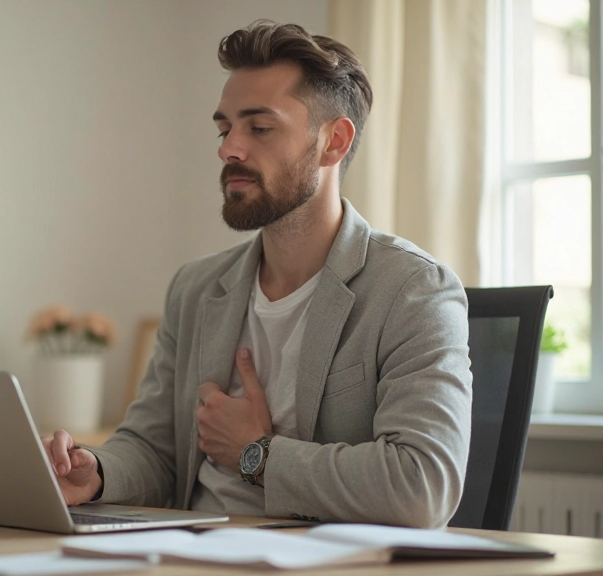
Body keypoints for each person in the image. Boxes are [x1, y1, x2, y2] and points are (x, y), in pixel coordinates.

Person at [42, 19, 472, 529]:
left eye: (259, 128)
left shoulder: (412, 290)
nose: (229, 150)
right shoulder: (196, 287)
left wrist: (257, 454)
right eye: (225, 129)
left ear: (334, 142)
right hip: (178, 554)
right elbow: (154, 449)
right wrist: (98, 471)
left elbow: (422, 485)